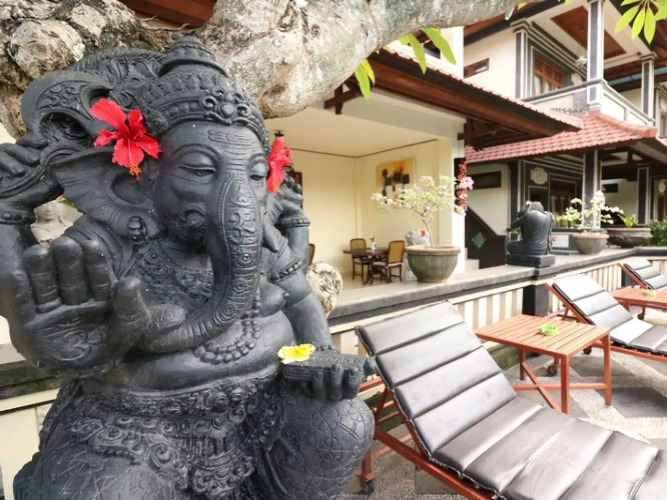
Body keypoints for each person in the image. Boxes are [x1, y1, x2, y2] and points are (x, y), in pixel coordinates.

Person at [0, 37, 373, 499]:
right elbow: (43, 307)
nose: (240, 198)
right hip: (137, 423)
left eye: (255, 175)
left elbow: (298, 296)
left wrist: (320, 355)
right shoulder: (106, 242)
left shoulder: (259, 238)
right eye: (200, 169)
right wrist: (8, 213)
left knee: (346, 421)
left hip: (265, 400)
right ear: (135, 183)